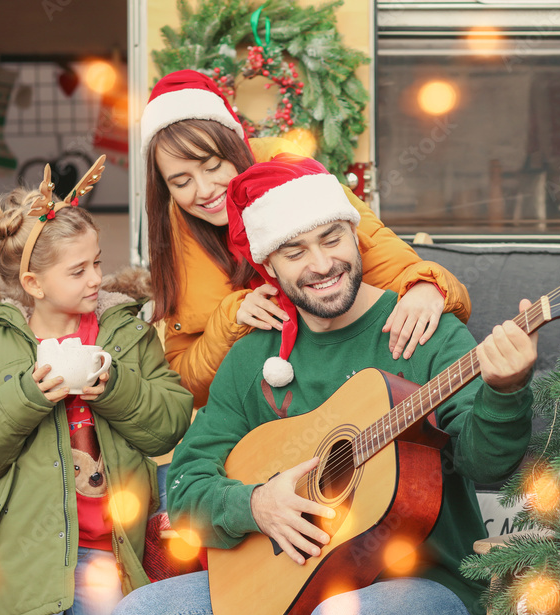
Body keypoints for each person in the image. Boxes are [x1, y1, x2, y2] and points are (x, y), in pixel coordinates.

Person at [109, 154, 537, 615]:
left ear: (356, 237)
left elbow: (490, 463)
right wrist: (257, 504)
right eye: (295, 251)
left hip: (431, 588)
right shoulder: (253, 356)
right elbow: (185, 487)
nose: (320, 264)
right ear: (269, 267)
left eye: (332, 239)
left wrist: (506, 391)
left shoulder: (424, 332)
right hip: (290, 588)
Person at [0, 159, 194, 615]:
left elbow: (170, 422)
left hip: (111, 544)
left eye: (98, 264)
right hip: (29, 551)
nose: (96, 279)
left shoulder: (126, 335)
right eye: (78, 270)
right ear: (34, 284)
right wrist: (26, 396)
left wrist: (115, 387)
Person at [140, 69, 472, 407]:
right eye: (181, 182)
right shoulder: (178, 236)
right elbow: (184, 386)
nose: (205, 190)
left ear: (235, 149)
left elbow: (409, 272)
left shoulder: (297, 181)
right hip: (263, 420)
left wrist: (429, 286)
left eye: (212, 167)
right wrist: (230, 319)